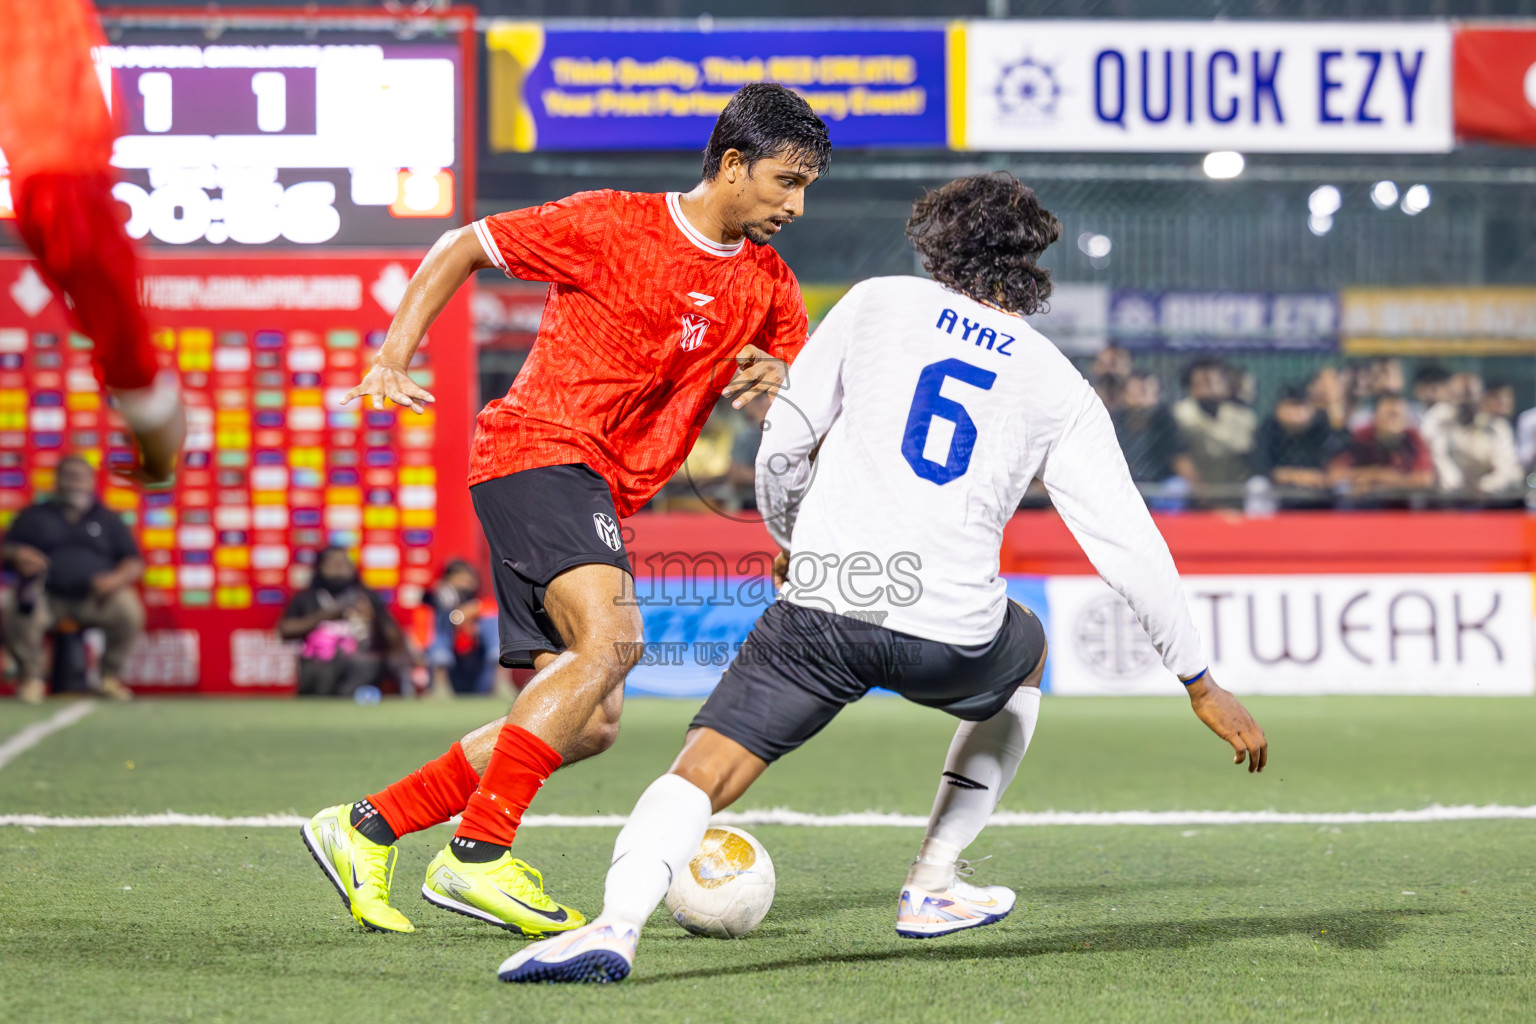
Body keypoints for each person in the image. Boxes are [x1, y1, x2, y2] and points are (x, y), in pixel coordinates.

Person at [497, 173, 1267, 984]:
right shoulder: (1058, 384)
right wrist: (1198, 678)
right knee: (1028, 652)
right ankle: (933, 883)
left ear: (937, 243)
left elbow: (787, 441)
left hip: (828, 605)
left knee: (702, 770)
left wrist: (795, 536)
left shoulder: (874, 303)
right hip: (954, 634)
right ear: (1031, 261)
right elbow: (1126, 539)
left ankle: (615, 925)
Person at [299, 83, 830, 937]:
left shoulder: (769, 284)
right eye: (785, 181)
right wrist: (392, 356)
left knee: (592, 720)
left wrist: (785, 397)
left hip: (600, 490)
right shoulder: (614, 222)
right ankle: (477, 857)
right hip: (538, 449)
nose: (796, 205)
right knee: (614, 642)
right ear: (733, 165)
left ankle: (367, 827)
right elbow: (462, 242)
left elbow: (798, 414)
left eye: (807, 187)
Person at [0, 0, 185, 485]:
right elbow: (158, 417)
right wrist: (157, 464)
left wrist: (156, 457)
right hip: (61, 172)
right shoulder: (89, 255)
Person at [1, 456, 143, 703]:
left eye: (80, 475)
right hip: (46, 593)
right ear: (56, 480)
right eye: (68, 474)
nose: (74, 480)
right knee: (18, 602)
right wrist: (18, 554)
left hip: (96, 597)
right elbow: (5, 550)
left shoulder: (108, 518)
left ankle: (109, 678)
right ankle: (30, 679)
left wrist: (115, 580)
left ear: (91, 480)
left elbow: (133, 561)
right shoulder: (34, 515)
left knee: (128, 609)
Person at [278, 547, 416, 698]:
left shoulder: (367, 596)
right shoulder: (306, 597)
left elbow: (392, 633)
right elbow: (285, 630)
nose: (338, 567)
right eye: (333, 563)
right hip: (320, 663)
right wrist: (324, 616)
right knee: (322, 670)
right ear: (320, 567)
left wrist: (372, 618)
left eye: (343, 563)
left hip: (360, 662)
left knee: (370, 664)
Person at [1420, 374, 1523, 499]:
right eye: (1462, 398)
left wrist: (1485, 486)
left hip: (1489, 498)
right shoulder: (1439, 421)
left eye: (1472, 398)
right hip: (1448, 498)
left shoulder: (1496, 426)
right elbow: (1437, 456)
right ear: (1451, 398)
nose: (1468, 404)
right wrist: (1455, 487)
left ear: (1481, 398)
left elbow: (1505, 468)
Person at [1250, 384, 1350, 506]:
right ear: (1278, 409)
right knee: (1257, 485)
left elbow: (1340, 453)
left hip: (1319, 489)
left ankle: (1343, 524)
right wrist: (1296, 476)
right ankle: (1260, 525)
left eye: (1300, 406)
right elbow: (1262, 467)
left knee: (1343, 485)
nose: (1295, 412)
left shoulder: (1321, 425)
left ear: (1311, 408)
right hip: (1281, 489)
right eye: (1290, 406)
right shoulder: (1269, 428)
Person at [1328, 393, 1436, 502]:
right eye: (1389, 414)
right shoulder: (1361, 436)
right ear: (1375, 416)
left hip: (1404, 504)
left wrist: (1385, 481)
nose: (1393, 421)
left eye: (1398, 415)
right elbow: (1335, 475)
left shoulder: (1414, 438)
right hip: (1365, 503)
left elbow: (1425, 479)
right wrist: (1375, 474)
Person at [1171, 358, 1256, 495]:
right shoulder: (1180, 414)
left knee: (1257, 486)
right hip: (1196, 489)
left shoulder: (1242, 416)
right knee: (1175, 487)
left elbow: (1247, 452)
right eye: (1203, 380)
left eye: (1216, 379)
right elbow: (1179, 458)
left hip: (1235, 485)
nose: (1210, 383)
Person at [424, 560, 497, 696]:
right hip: (449, 673)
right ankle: (440, 685)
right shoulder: (435, 604)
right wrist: (458, 615)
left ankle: (501, 679)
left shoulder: (482, 605)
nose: (465, 584)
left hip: (480, 677)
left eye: (468, 579)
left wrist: (474, 610)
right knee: (443, 618)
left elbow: (490, 609)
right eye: (459, 579)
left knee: (491, 620)